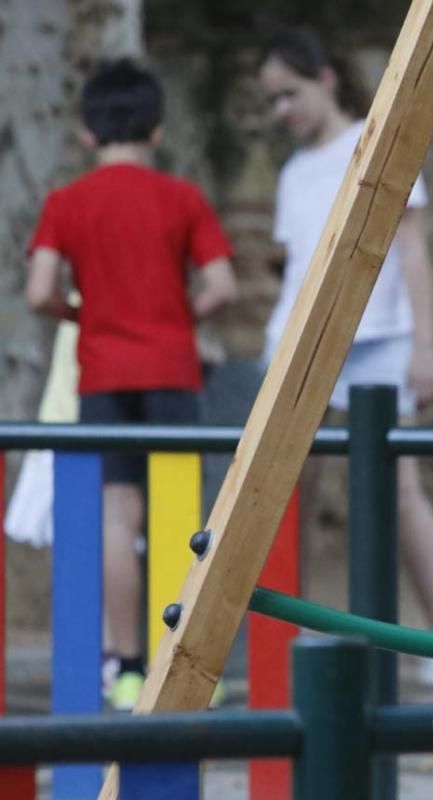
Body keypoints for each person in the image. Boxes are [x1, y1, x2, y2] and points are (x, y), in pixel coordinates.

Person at [25, 59, 239, 710]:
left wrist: (84, 316)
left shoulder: (67, 202)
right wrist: (177, 318)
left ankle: (124, 668)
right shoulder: (183, 198)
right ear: (159, 129)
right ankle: (186, 668)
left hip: (103, 376)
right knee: (182, 521)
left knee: (117, 519)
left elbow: (39, 291)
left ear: (88, 135)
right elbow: (224, 286)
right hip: (171, 371)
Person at [258, 28, 433, 684]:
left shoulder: (379, 139)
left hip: (383, 338)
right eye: (272, 100)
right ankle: (294, 638)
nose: (282, 110)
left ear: (327, 78)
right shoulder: (291, 172)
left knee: (400, 491)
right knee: (287, 494)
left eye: (291, 92)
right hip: (300, 344)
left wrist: (424, 344)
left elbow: (414, 247)